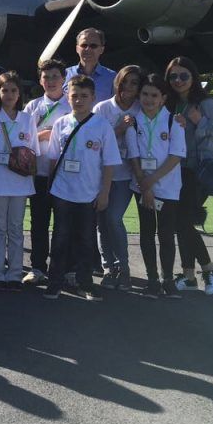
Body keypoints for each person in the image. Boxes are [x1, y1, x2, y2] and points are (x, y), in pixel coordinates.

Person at [42, 74, 121, 301]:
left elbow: (109, 163)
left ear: (93, 98)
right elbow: (53, 158)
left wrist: (104, 192)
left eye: (84, 96)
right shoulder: (61, 123)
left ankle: (85, 283)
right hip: (62, 191)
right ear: (68, 97)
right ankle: (55, 281)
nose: (79, 100)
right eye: (74, 96)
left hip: (88, 193)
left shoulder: (102, 126)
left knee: (86, 240)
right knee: (60, 238)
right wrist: (50, 187)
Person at [166, 56, 213, 294]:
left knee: (182, 221)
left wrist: (199, 121)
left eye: (184, 75)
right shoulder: (171, 103)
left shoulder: (205, 103)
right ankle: (189, 276)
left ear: (193, 77)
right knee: (180, 223)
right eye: (173, 76)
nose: (178, 80)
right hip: (176, 169)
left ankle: (210, 268)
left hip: (199, 170)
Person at [128, 73, 187, 299]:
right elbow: (133, 156)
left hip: (167, 188)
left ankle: (168, 280)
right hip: (141, 186)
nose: (149, 99)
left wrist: (151, 181)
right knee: (146, 233)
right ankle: (152, 279)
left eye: (154, 95)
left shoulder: (173, 122)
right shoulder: (133, 121)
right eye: (145, 94)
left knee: (166, 234)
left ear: (163, 98)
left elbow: (175, 156)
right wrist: (145, 187)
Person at [0, 71, 37, 291]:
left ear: (19, 93)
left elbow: (33, 151)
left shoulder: (27, 119)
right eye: (5, 90)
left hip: (20, 183)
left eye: (14, 90)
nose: (9, 95)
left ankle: (14, 273)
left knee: (15, 228)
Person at [91, 64, 143, 290]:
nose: (128, 87)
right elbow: (93, 143)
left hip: (125, 175)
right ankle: (108, 267)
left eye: (134, 83)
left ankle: (123, 266)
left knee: (113, 217)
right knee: (102, 223)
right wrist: (118, 130)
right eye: (124, 82)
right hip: (101, 175)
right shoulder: (102, 109)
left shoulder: (141, 109)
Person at [21, 58, 72, 286]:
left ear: (64, 79)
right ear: (40, 80)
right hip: (38, 174)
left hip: (64, 175)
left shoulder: (71, 105)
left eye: (55, 77)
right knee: (39, 223)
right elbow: (22, 137)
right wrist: (42, 135)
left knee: (63, 225)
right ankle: (38, 267)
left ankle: (64, 269)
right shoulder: (33, 106)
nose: (50, 81)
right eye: (46, 77)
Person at [63, 28, 116, 105]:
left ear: (102, 49)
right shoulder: (64, 75)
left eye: (93, 46)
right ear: (77, 49)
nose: (88, 49)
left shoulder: (112, 77)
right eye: (84, 45)